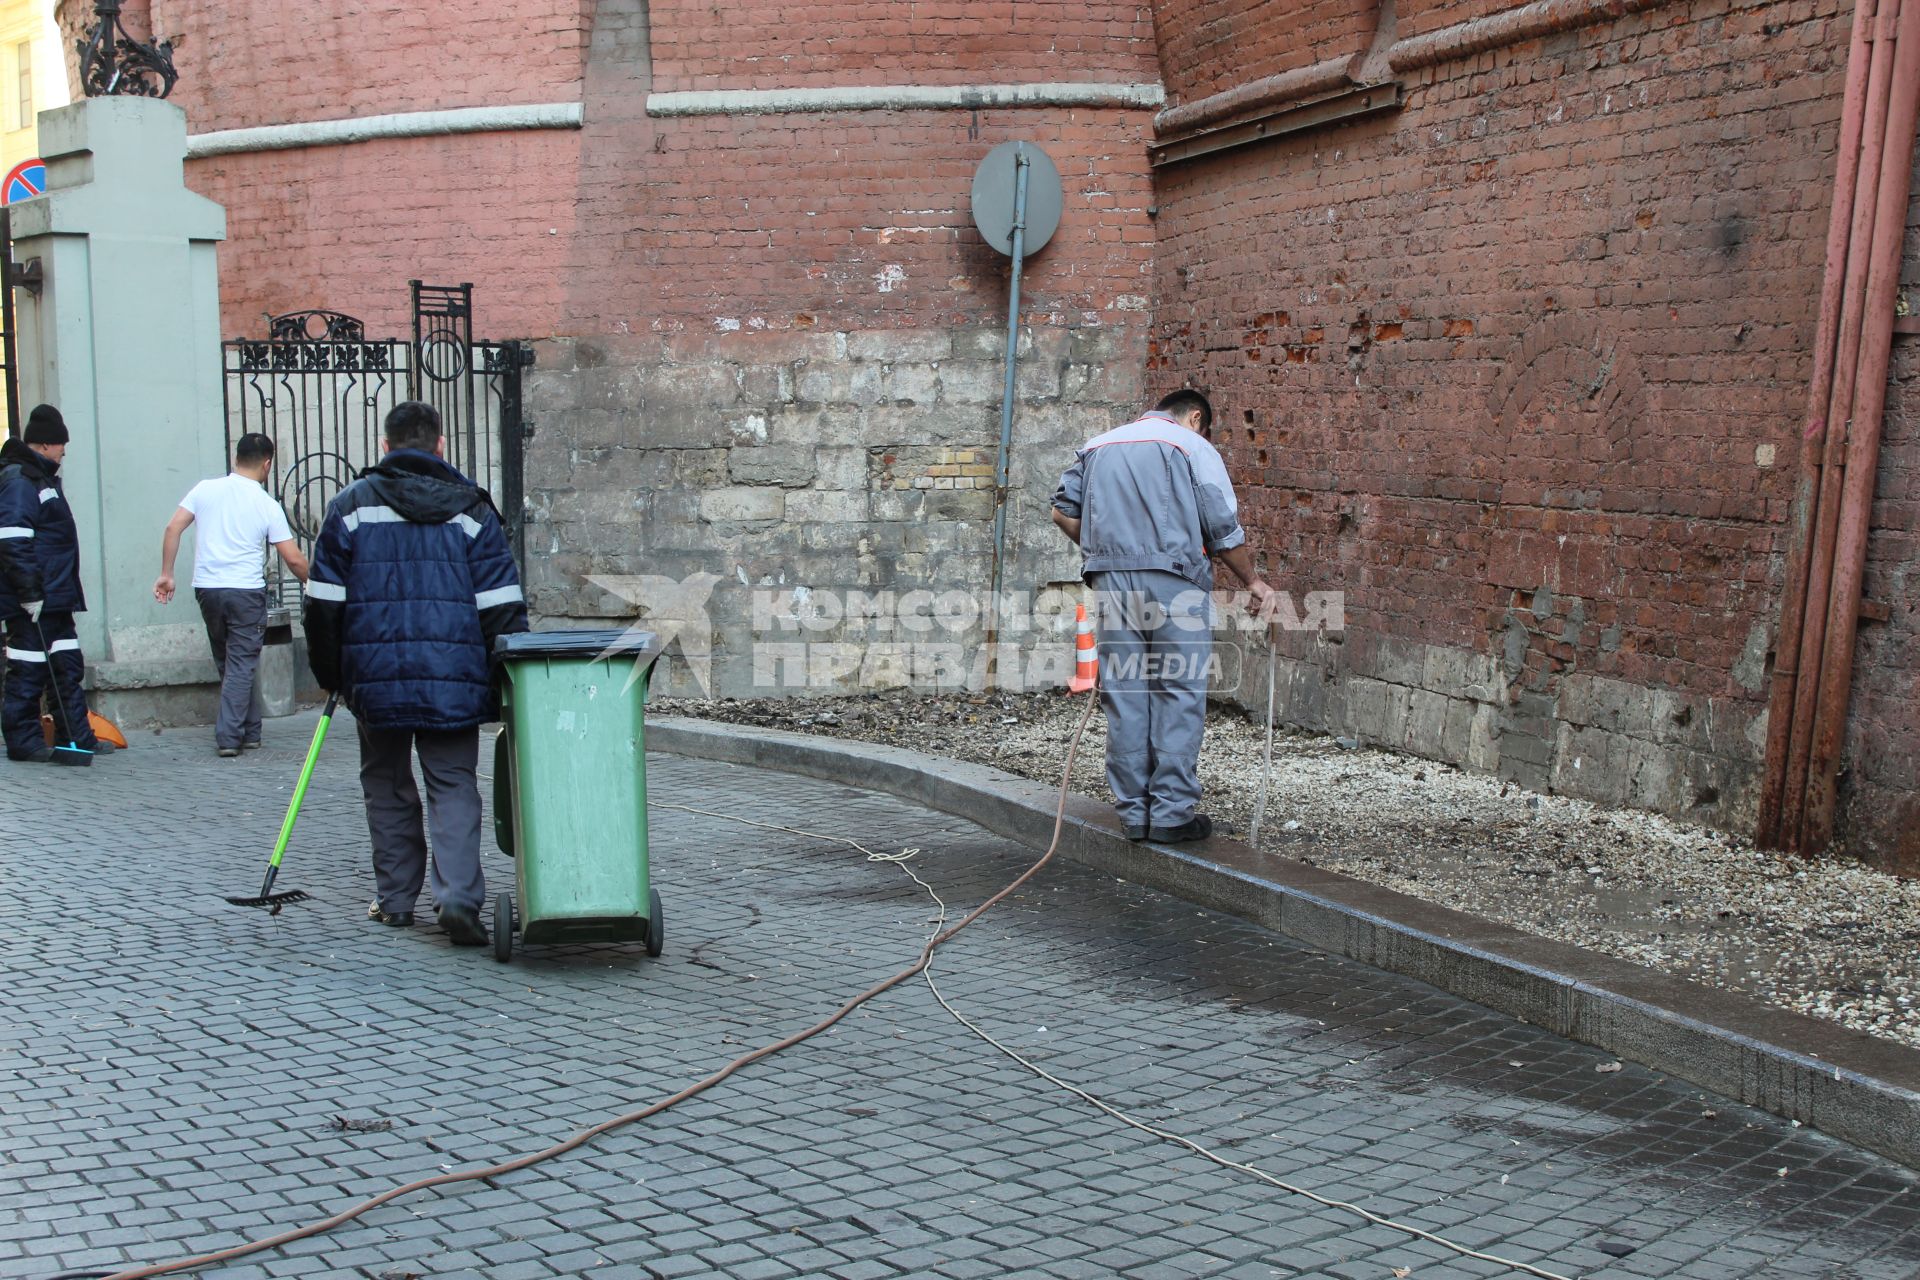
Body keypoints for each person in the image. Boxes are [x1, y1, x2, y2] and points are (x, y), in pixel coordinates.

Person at [303, 401, 527, 945]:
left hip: (374, 674)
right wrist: (505, 681)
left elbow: (323, 603)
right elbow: (502, 608)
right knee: (452, 783)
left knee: (385, 783)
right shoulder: (473, 510)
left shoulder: (351, 507)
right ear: (441, 445)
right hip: (453, 674)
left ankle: (397, 900)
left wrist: (331, 673)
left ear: (386, 447)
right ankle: (455, 897)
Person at [1051, 389, 1273, 844]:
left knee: (1127, 694)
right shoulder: (1192, 445)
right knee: (1178, 689)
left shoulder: (1098, 445)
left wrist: (1107, 553)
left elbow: (1062, 512)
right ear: (1195, 417)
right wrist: (1253, 581)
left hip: (1113, 582)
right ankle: (1171, 814)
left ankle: (1134, 814)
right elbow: (1222, 526)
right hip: (1175, 581)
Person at [154, 433, 311, 757]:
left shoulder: (204, 490)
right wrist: (314, 583)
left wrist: (167, 574)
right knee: (240, 663)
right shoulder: (266, 505)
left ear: (235, 457)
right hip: (246, 592)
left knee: (231, 662)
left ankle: (250, 731)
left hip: (207, 590)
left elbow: (173, 528)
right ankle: (228, 737)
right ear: (267, 463)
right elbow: (293, 558)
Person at [0, 405, 114, 762]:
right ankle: (24, 741)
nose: (64, 451)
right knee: (29, 667)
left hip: (55, 596)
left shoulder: (40, 478)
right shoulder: (20, 480)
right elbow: (13, 539)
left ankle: (77, 737)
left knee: (66, 666)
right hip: (34, 599)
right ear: (47, 444)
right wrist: (30, 594)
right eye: (62, 444)